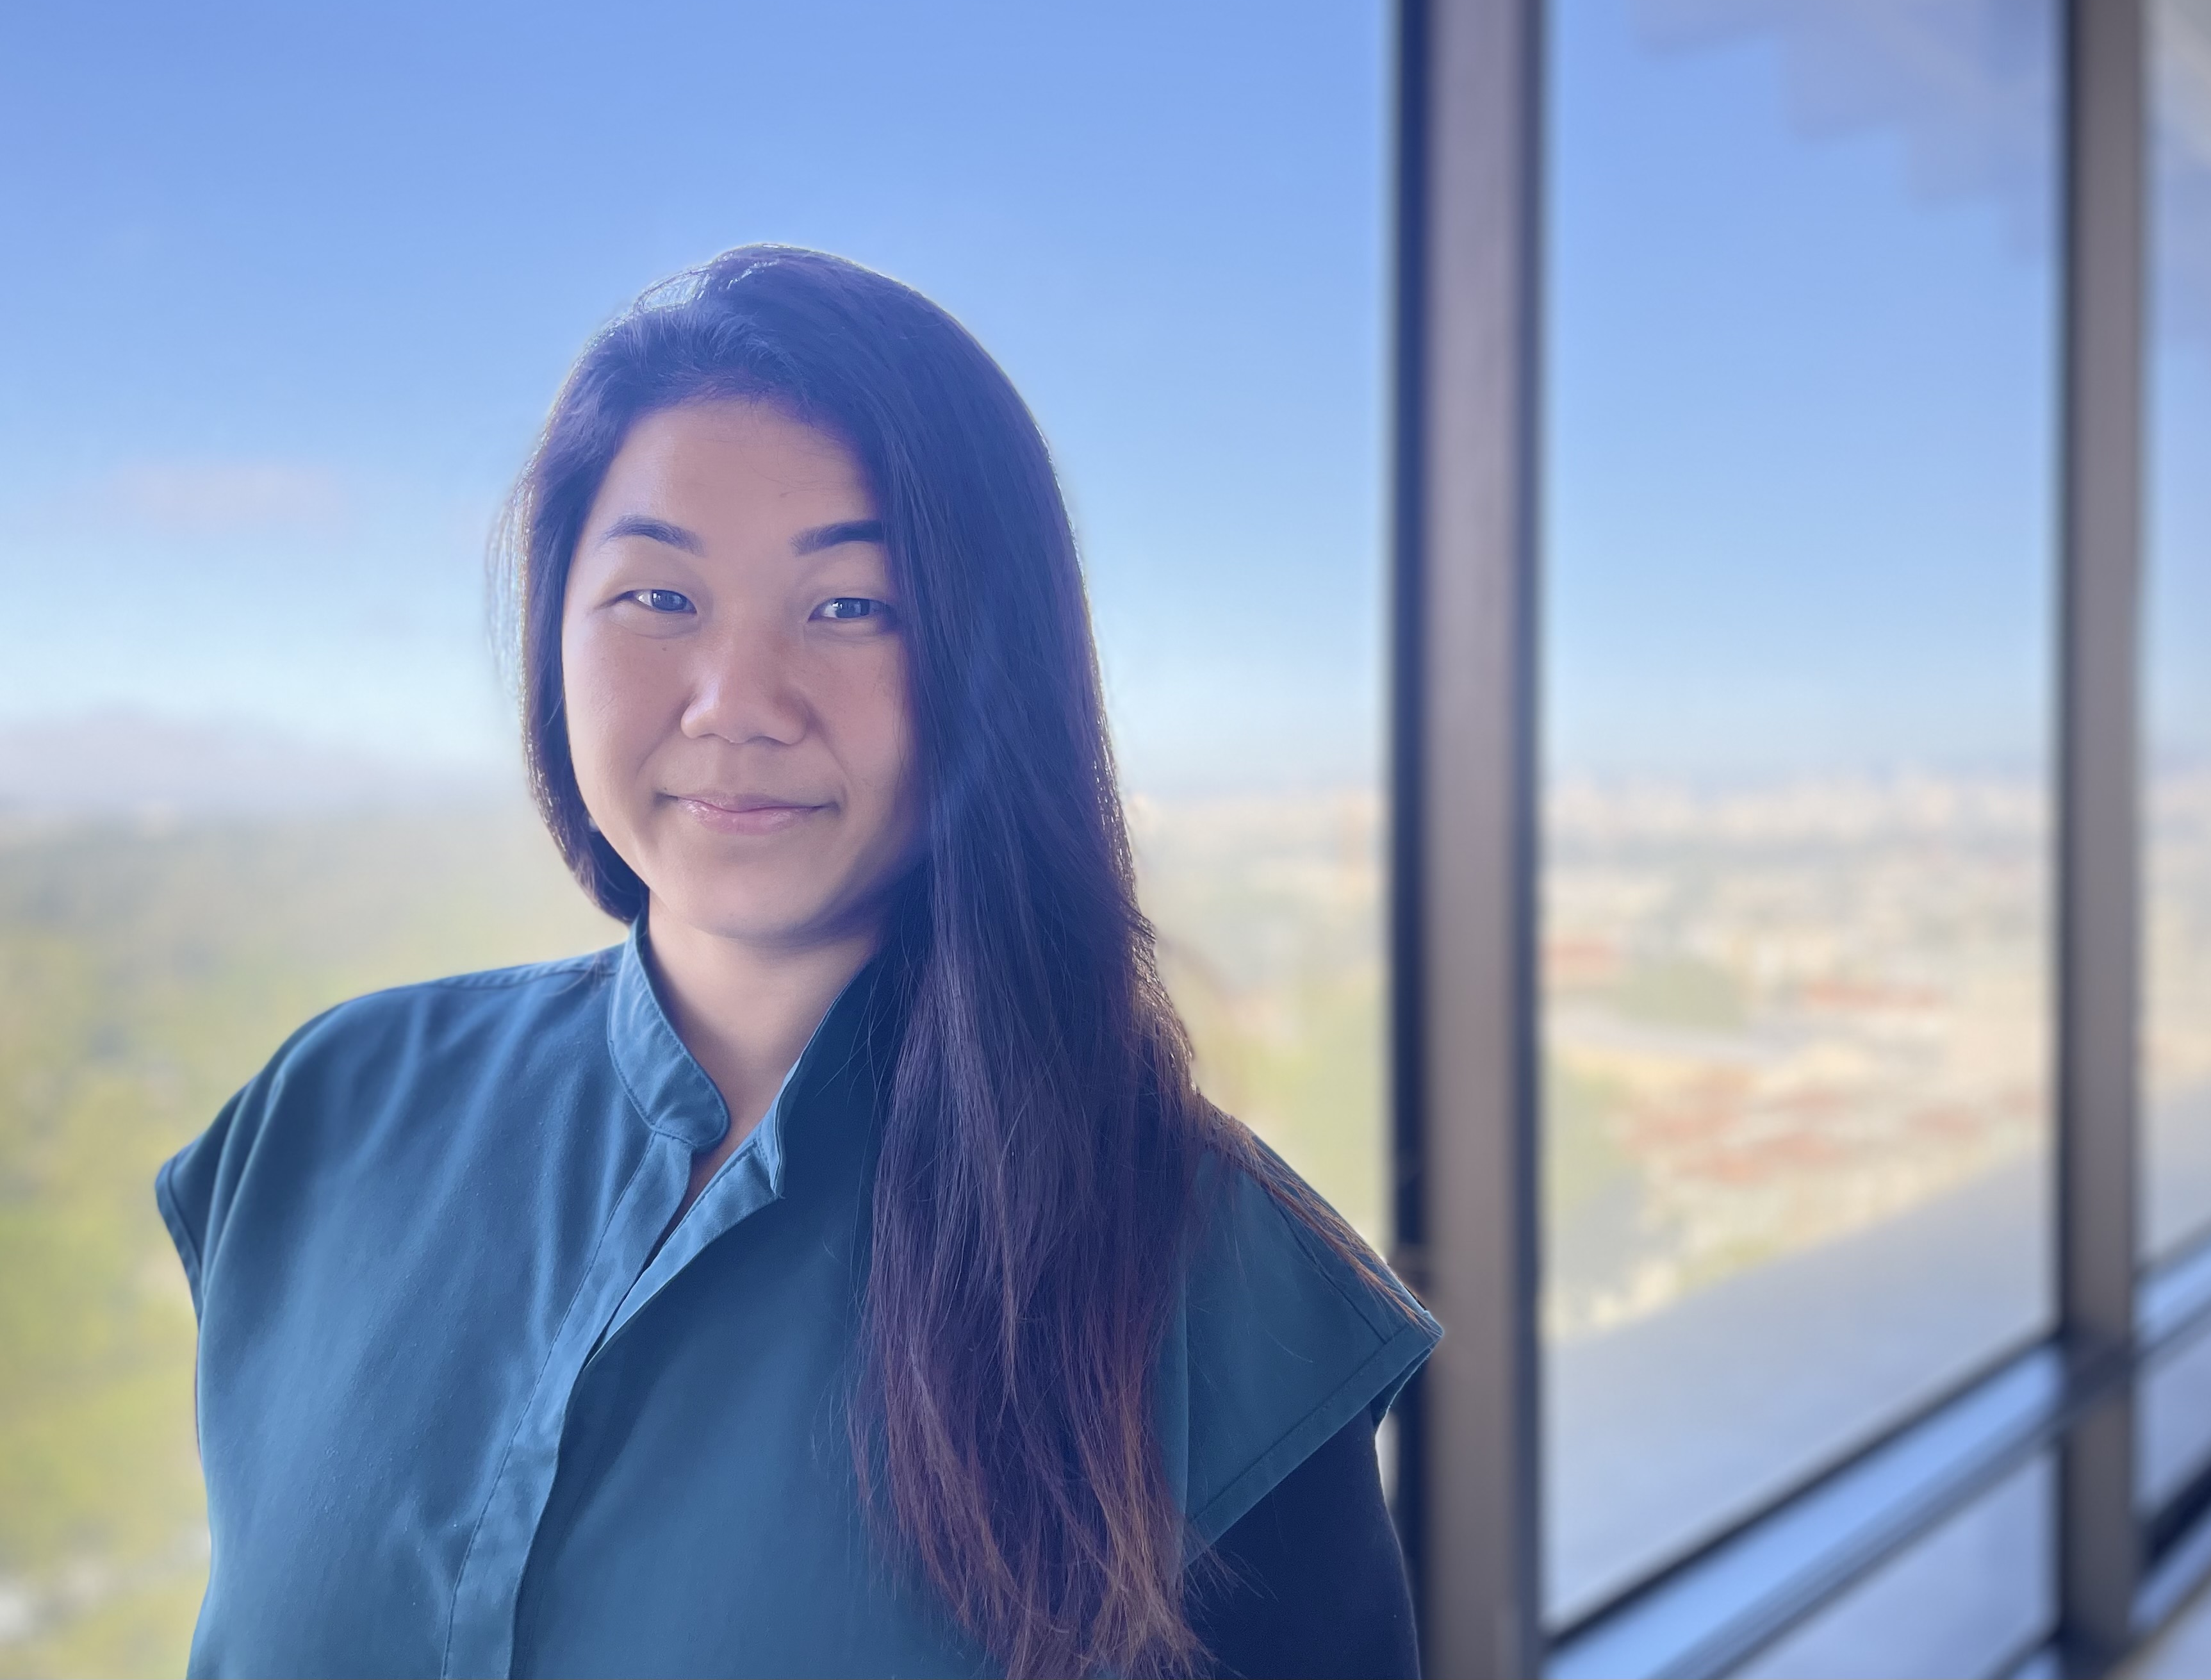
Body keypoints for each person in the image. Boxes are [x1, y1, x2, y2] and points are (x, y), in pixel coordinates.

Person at [156, 245, 1438, 1680]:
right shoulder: (328, 1115)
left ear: (986, 663)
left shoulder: (1207, 1279)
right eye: (658, 598)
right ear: (551, 637)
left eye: (850, 608)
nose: (737, 704)